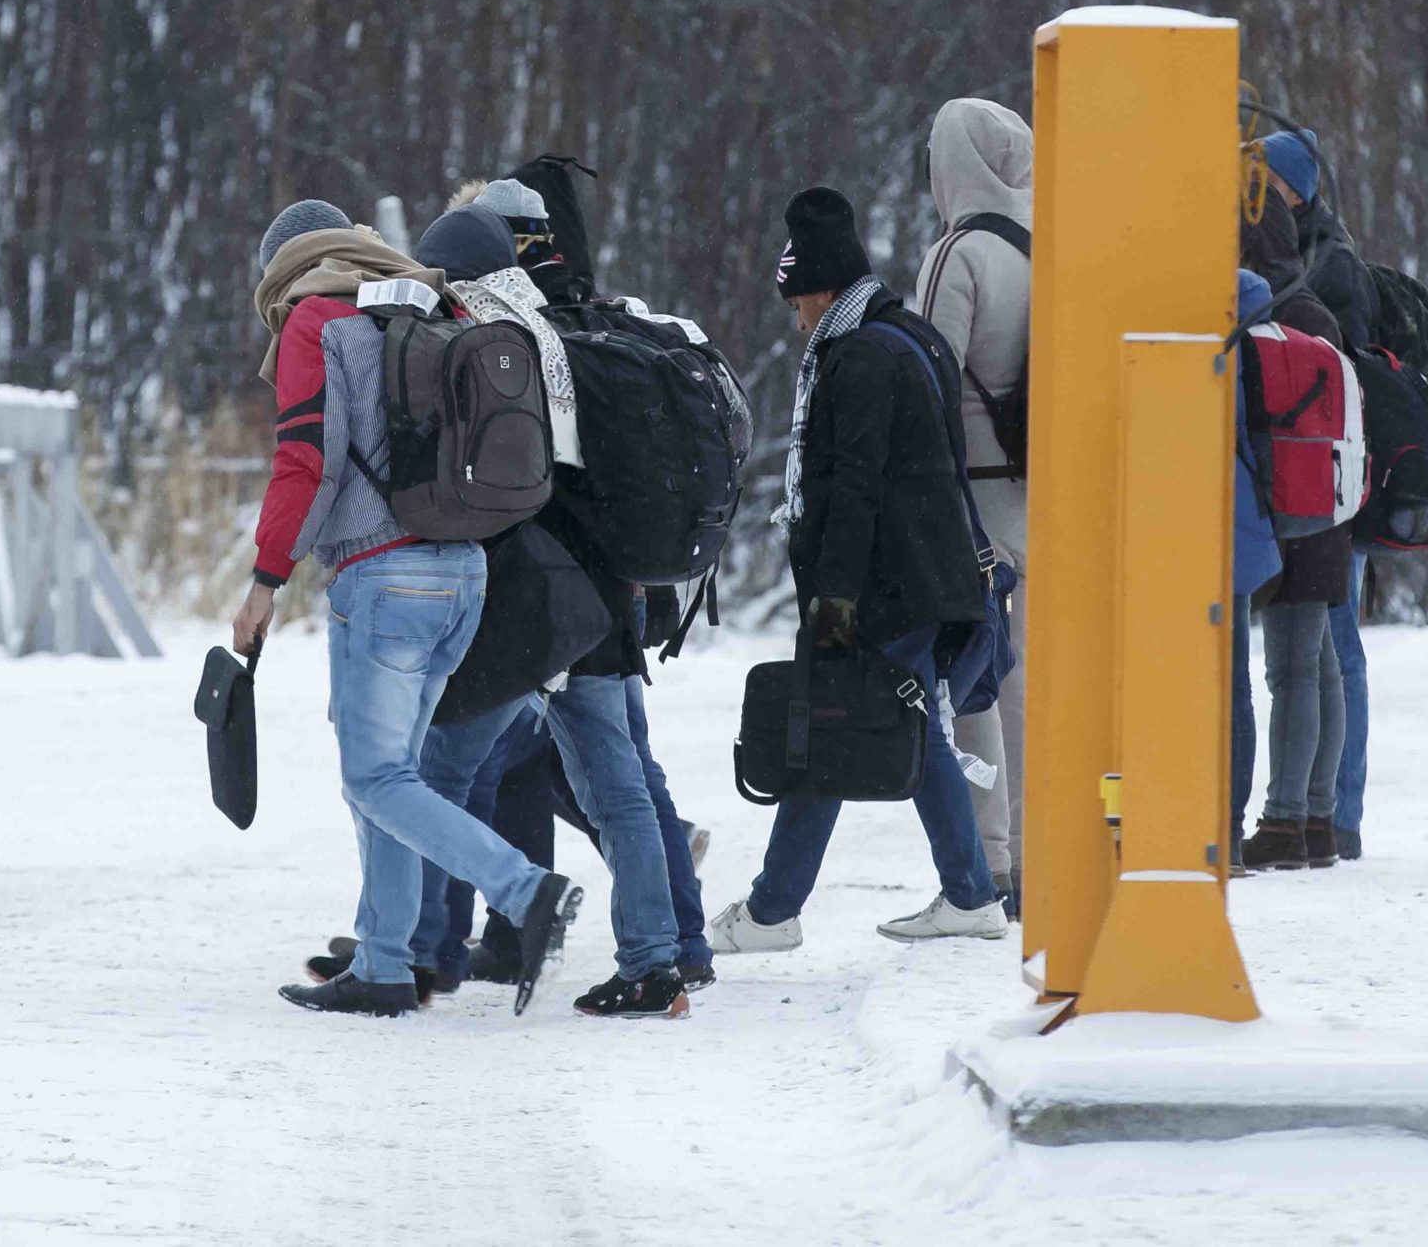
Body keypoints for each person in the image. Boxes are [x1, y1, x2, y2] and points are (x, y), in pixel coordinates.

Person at [235, 200, 582, 1017]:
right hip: (462, 571)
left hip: (384, 580)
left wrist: (265, 578)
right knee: (391, 774)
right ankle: (385, 963)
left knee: (377, 775)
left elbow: (307, 462)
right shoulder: (420, 300)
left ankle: (526, 890)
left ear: (284, 267)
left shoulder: (315, 320)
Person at [396, 205, 695, 1019]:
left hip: (529, 608)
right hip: (600, 604)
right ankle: (655, 965)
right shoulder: (567, 339)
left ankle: (417, 951)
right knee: (619, 791)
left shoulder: (489, 345)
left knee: (437, 773)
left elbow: (495, 491)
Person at [708, 188, 1001, 954]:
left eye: (798, 302)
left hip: (887, 585)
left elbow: (854, 491)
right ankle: (969, 893)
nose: (796, 320)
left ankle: (773, 911)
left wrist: (833, 606)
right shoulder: (910, 336)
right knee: (906, 724)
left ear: (823, 289)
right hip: (929, 573)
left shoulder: (860, 357)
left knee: (829, 721)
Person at [910, 97, 1031, 916]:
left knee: (975, 676)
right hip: (1039, 493)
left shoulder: (959, 253)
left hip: (973, 498)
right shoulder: (1044, 249)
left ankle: (990, 858)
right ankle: (1036, 846)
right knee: (1027, 678)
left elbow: (928, 378)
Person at [1258, 129, 1376, 861]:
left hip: (1319, 481)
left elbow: (1336, 375)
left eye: (1265, 182)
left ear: (1292, 190)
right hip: (1329, 478)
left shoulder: (1323, 269)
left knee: (1321, 656)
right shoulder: (1315, 261)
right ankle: (1324, 815)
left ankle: (1326, 815)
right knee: (1322, 658)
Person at [1238, 178, 1353, 872]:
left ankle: (1285, 821)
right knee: (1318, 666)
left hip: (1285, 505)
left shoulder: (1263, 314)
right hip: (1326, 501)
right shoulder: (1313, 307)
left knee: (1291, 671)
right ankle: (1316, 817)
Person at [1230, 270, 1288, 872]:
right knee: (1234, 685)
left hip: (1207, 519)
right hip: (1249, 519)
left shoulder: (1218, 334)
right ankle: (1227, 828)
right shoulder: (1264, 332)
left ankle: (1209, 828)